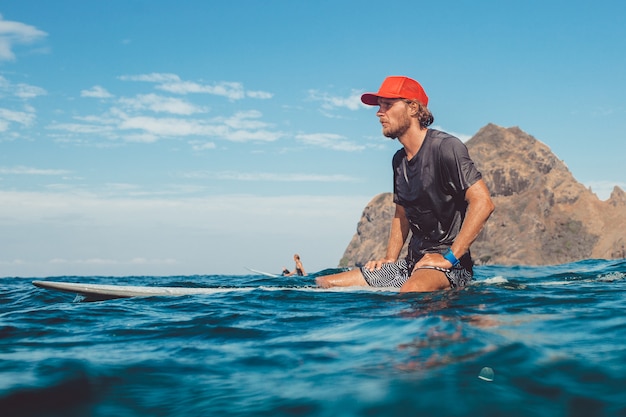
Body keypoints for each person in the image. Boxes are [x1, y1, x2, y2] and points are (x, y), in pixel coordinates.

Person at [316, 76, 494, 293]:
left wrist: (450, 258)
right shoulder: (398, 160)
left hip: (450, 265)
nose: (379, 113)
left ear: (413, 108)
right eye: (379, 106)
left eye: (388, 105)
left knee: (410, 291)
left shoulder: (446, 148)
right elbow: (401, 214)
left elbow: (483, 202)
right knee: (324, 284)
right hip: (410, 265)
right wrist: (390, 259)